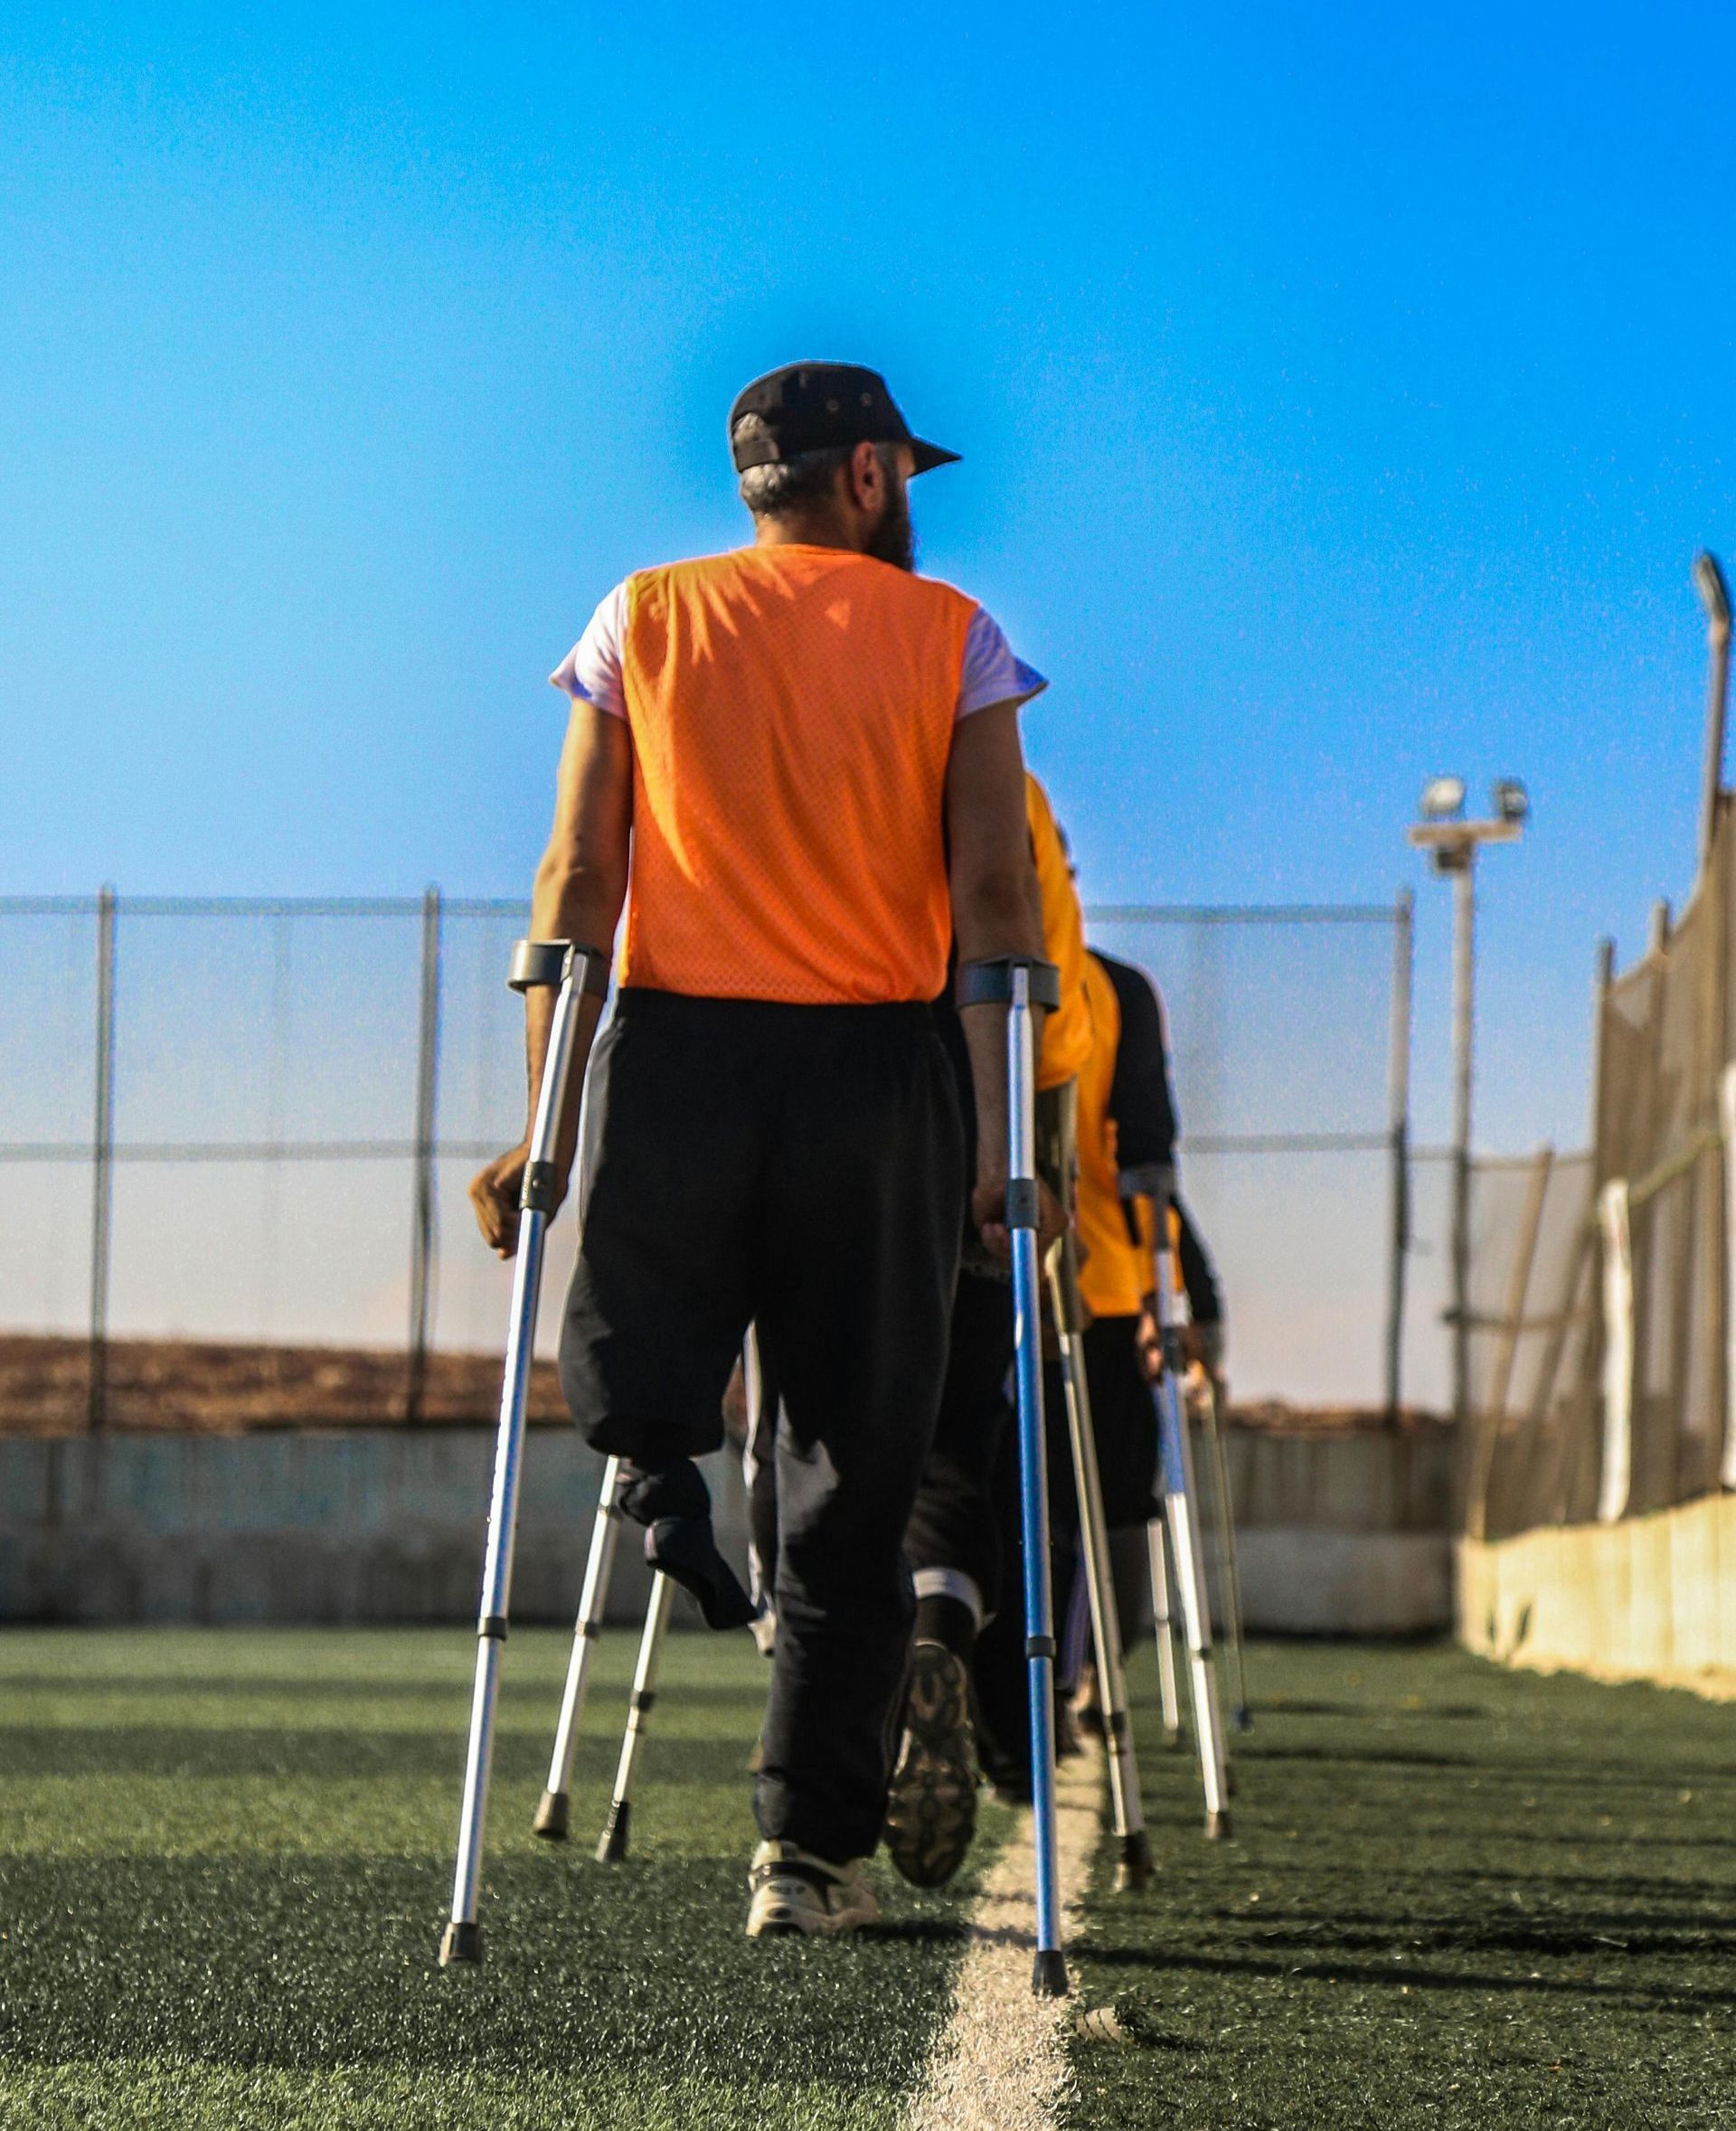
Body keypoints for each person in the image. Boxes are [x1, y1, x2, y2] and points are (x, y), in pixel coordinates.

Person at [468, 361, 1050, 1942]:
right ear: (867, 474)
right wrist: (996, 1158)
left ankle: (660, 1474)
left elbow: (576, 876)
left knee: (648, 1328)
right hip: (875, 1074)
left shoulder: (640, 615)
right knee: (855, 1476)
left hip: (675, 1055)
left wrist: (548, 1128)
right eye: (903, 472)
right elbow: (997, 904)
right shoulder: (958, 638)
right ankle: (803, 1856)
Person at [883, 771, 1091, 1886]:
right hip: (969, 1110)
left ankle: (811, 1781)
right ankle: (938, 1638)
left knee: (812, 1429)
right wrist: (1018, 1160)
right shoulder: (998, 767)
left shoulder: (752, 703)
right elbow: (1032, 958)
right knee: (956, 1425)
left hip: (800, 1091)